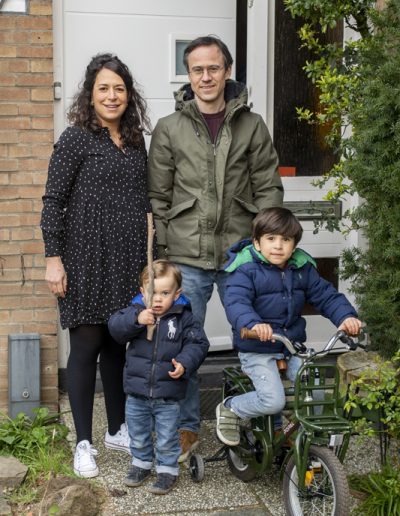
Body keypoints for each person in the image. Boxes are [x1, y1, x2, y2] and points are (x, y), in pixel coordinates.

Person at [148, 35, 284, 461]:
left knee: (258, 337)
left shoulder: (251, 124)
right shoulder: (170, 128)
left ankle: (260, 419)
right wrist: (166, 253)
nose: (205, 77)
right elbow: (159, 198)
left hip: (242, 254)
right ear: (188, 76)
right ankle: (188, 431)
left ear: (227, 71)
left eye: (213, 68)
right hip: (187, 257)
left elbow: (268, 187)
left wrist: (266, 248)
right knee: (184, 345)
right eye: (197, 70)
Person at [40, 53, 152, 478]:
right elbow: (53, 201)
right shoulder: (75, 139)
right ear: (91, 94)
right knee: (86, 348)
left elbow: (144, 202)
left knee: (117, 345)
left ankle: (117, 429)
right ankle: (83, 441)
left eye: (119, 88)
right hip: (84, 259)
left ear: (129, 95)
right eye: (103, 88)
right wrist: (54, 259)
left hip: (125, 260)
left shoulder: (136, 139)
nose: (112, 96)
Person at [216, 207, 362, 446]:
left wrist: (346, 317)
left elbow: (326, 296)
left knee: (314, 384)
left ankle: (315, 440)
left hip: (291, 346)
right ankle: (231, 407)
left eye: (285, 240)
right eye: (271, 239)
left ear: (294, 245)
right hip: (257, 347)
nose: (278, 245)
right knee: (273, 401)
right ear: (257, 242)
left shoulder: (301, 269)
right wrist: (253, 323)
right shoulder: (244, 270)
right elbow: (236, 302)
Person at [108, 260, 209, 494]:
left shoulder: (183, 317)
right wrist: (136, 320)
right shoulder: (135, 311)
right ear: (143, 292)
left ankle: (167, 470)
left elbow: (198, 343)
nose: (158, 299)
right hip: (136, 391)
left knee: (166, 435)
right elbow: (115, 328)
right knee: (138, 432)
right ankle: (141, 463)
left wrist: (185, 362)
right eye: (153, 293)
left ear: (177, 293)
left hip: (168, 393)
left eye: (165, 293)